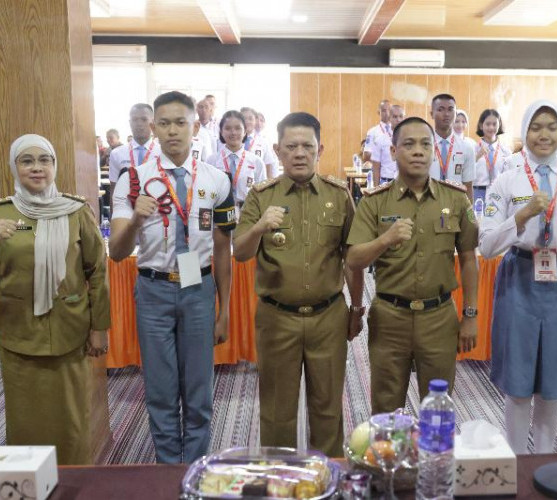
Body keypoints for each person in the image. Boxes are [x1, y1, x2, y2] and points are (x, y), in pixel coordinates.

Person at [110, 91, 234, 464]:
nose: (173, 131)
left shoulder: (218, 181)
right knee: (161, 390)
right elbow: (116, 252)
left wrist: (224, 309)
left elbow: (223, 248)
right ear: (153, 127)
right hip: (153, 290)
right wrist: (135, 219)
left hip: (199, 289)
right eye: (164, 123)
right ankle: (167, 469)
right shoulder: (132, 180)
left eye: (181, 122)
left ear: (195, 126)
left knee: (198, 390)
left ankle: (196, 467)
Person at [232, 112, 364, 457]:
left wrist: (356, 308)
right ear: (278, 150)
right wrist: (260, 226)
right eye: (292, 146)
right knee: (277, 412)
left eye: (308, 146)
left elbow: (352, 258)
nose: (300, 153)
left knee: (328, 408)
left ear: (320, 150)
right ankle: (282, 482)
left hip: (329, 317)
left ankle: (330, 478)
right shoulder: (261, 196)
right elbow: (240, 253)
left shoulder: (339, 195)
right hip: (278, 319)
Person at [479, 100, 557, 454]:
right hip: (518, 278)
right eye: (536, 127)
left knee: (553, 384)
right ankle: (515, 463)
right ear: (524, 131)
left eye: (551, 126)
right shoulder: (506, 180)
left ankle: (545, 460)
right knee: (518, 382)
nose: (544, 135)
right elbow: (487, 245)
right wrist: (522, 216)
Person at [346, 116, 479, 413]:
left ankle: (434, 461)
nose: (418, 151)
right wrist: (385, 240)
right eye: (408, 144)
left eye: (425, 144)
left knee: (438, 410)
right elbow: (354, 259)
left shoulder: (456, 199)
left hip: (439, 318)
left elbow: (469, 259)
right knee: (386, 409)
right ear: (393, 152)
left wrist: (470, 314)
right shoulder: (374, 202)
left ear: (434, 151)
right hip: (390, 318)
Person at [0, 134, 110, 465]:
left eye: (44, 160)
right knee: (25, 425)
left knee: (71, 424)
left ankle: (74, 485)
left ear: (54, 165)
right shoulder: (3, 215)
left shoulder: (75, 211)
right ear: (14, 167)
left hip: (70, 334)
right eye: (27, 161)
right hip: (19, 337)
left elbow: (98, 272)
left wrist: (99, 327)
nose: (37, 168)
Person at [208, 110, 267, 211]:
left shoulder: (256, 162)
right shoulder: (211, 161)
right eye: (227, 128)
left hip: (248, 217)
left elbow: (263, 196)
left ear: (245, 131)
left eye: (238, 128)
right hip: (218, 216)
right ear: (221, 132)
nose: (233, 132)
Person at [108, 103, 161, 201]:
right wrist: (114, 215)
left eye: (144, 119)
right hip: (125, 209)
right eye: (135, 120)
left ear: (153, 123)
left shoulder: (162, 152)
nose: (139, 123)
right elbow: (114, 189)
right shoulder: (117, 154)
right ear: (130, 123)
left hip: (157, 209)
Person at [429, 94, 476, 201]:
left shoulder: (467, 147)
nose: (446, 114)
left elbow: (468, 185)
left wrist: (469, 216)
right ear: (432, 114)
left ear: (455, 113)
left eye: (450, 110)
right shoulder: (424, 145)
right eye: (440, 109)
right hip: (428, 204)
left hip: (455, 206)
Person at [473, 109, 511, 208]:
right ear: (481, 125)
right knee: (478, 222)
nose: (491, 127)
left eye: (494, 124)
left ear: (499, 125)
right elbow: (465, 174)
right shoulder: (473, 149)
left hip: (498, 193)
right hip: (477, 193)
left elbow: (509, 177)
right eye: (488, 124)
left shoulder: (506, 151)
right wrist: (476, 158)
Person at [370, 104, 404, 185]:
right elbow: (376, 168)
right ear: (389, 118)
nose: (398, 119)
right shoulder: (380, 139)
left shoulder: (409, 139)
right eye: (395, 117)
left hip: (404, 183)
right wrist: (376, 191)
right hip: (386, 182)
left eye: (401, 116)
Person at [241, 106, 278, 179]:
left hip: (257, 185)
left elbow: (268, 166)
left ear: (255, 121)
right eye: (244, 118)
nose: (247, 121)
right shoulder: (233, 140)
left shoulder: (263, 142)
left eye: (250, 119)